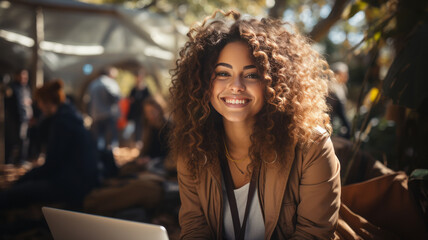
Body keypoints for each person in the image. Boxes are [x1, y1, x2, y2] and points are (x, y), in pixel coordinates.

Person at [169, 11, 341, 239]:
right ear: (202, 82)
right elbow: (194, 228)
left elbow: (313, 234)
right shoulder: (193, 146)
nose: (236, 86)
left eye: (251, 75)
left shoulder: (312, 146)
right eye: (222, 73)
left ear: (275, 82)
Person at [0, 80, 101, 209]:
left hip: (71, 184)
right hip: (83, 179)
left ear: (46, 102)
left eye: (39, 102)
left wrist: (22, 180)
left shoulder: (62, 123)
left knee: (10, 195)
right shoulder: (71, 116)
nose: (39, 106)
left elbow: (51, 166)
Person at [88, 66, 121, 150]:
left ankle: (100, 157)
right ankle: (111, 158)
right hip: (108, 114)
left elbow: (89, 101)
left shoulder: (93, 84)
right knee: (112, 139)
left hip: (96, 115)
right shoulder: (110, 83)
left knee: (99, 138)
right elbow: (116, 98)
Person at [4, 69, 33, 164]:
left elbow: (28, 103)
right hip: (13, 119)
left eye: (25, 77)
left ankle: (21, 160)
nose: (23, 79)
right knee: (11, 142)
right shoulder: (12, 88)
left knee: (23, 140)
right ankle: (8, 161)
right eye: (21, 76)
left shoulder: (26, 88)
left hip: (24, 119)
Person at [126, 68, 151, 147]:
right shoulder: (133, 89)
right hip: (135, 111)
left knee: (143, 126)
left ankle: (142, 141)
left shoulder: (146, 88)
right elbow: (129, 98)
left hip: (143, 111)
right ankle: (136, 141)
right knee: (135, 126)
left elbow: (149, 99)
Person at [327, 62, 351, 139]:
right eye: (344, 74)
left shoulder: (342, 87)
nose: (347, 76)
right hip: (330, 123)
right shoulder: (332, 88)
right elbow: (340, 112)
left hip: (336, 124)